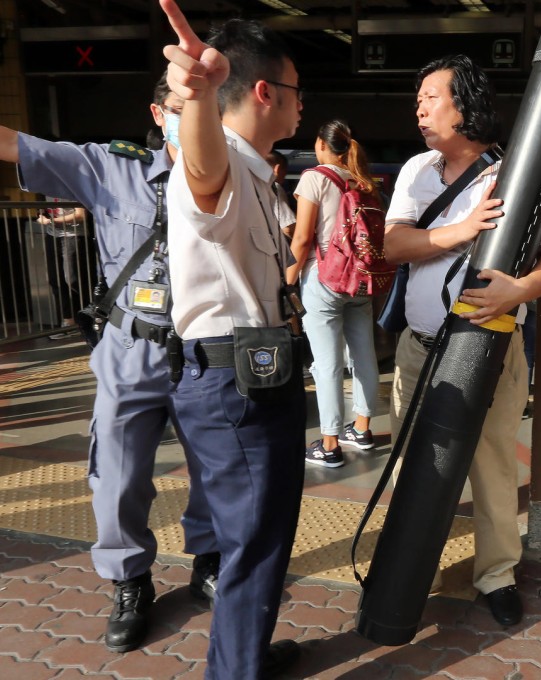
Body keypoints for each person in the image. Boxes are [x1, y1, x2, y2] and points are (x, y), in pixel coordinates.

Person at [0, 72, 219, 652]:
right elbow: (16, 146)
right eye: (182, 105)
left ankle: (210, 561)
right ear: (158, 112)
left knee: (216, 468)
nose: (195, 116)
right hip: (130, 351)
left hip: (205, 350)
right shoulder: (108, 168)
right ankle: (131, 581)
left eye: (207, 105)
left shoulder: (234, 171)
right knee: (117, 477)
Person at [384, 54, 541, 625]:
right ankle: (410, 567)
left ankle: (496, 576)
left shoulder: (514, 173)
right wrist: (458, 232)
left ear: (464, 103)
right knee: (416, 463)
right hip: (419, 346)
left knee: (491, 464)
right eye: (418, 100)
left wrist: (517, 292)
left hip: (490, 346)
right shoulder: (417, 170)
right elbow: (393, 246)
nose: (419, 109)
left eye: (430, 98)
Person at [159, 0, 305, 675]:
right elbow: (202, 170)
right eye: (298, 92)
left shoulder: (261, 172)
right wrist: (200, 97)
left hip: (254, 377)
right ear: (268, 91)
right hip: (234, 387)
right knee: (253, 544)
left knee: (261, 538)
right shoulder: (221, 160)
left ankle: (245, 656)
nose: (303, 108)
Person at [287, 120, 381, 466]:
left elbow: (301, 238)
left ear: (322, 145)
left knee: (326, 364)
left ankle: (329, 444)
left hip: (324, 279)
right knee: (363, 354)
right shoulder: (363, 182)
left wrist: (287, 281)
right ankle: (361, 428)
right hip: (360, 279)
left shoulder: (315, 177)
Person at [38, 200, 90, 332]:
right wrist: (42, 216)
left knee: (73, 280)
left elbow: (80, 215)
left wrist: (51, 221)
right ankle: (68, 321)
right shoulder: (45, 188)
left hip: (73, 236)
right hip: (52, 235)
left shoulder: (70, 185)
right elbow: (43, 211)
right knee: (55, 279)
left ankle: (85, 320)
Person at [267, 148, 297, 239]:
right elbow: (288, 227)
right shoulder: (274, 187)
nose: (284, 178)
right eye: (285, 172)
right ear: (278, 169)